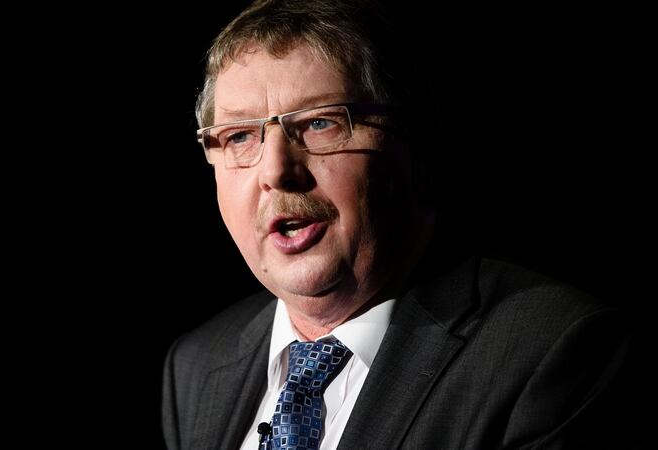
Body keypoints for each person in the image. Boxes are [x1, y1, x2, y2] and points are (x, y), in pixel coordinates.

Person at [162, 1, 637, 449]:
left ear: (409, 142)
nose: (276, 171)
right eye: (240, 135)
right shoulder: (197, 367)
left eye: (320, 123)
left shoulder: (551, 352)